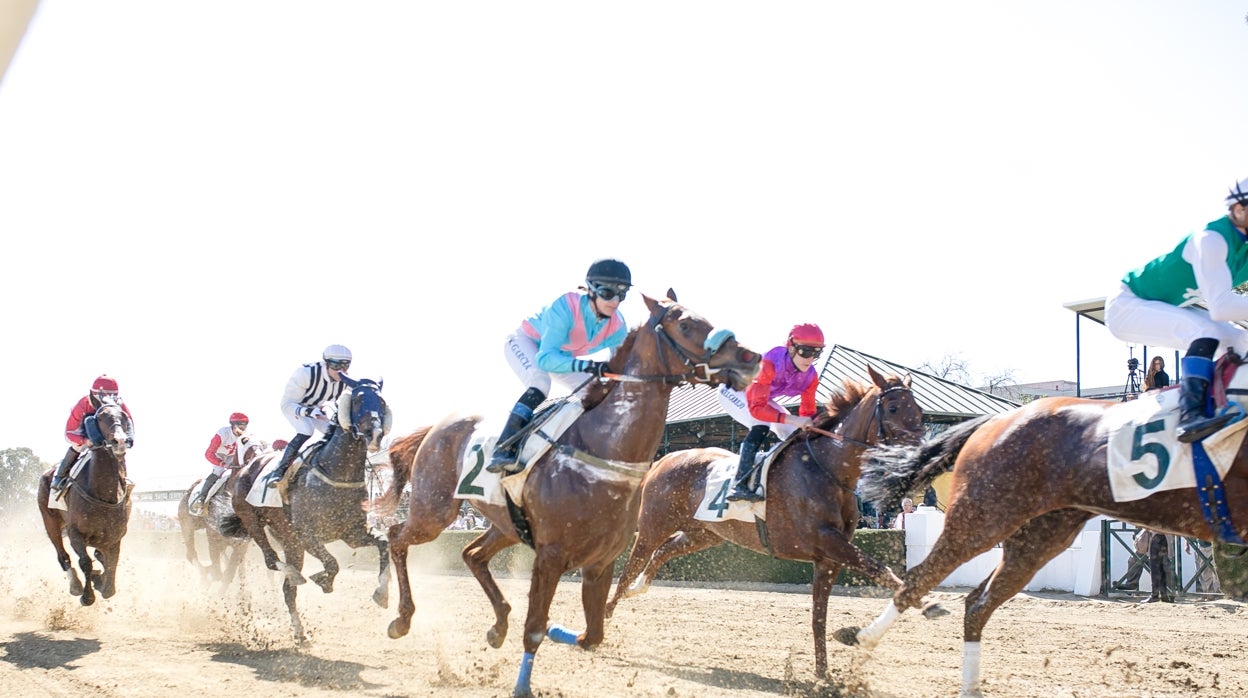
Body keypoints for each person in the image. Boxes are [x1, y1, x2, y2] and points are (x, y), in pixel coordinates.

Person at [1105, 177, 1248, 443]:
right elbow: (1221, 307)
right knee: (1206, 331)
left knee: (1239, 340)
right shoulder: (1213, 238)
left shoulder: (1244, 248)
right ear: (1239, 209)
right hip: (1127, 306)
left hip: (1159, 305)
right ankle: (1190, 415)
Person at [485, 258, 632, 475]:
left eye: (621, 294)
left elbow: (622, 368)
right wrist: (589, 365)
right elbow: (545, 359)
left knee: (596, 395)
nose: (615, 301)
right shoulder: (566, 306)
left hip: (561, 355)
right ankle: (503, 447)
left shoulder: (617, 326)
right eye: (608, 293)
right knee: (540, 384)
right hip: (527, 343)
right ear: (591, 290)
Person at [717, 323, 824, 502]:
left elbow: (807, 414)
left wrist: (808, 424)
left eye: (816, 353)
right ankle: (739, 484)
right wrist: (792, 418)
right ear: (791, 346)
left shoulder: (811, 377)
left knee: (794, 433)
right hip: (733, 390)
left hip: (760, 397)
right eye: (806, 351)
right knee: (761, 425)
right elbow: (757, 409)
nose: (810, 358)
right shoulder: (769, 363)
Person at [266, 344, 352, 487]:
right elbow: (287, 404)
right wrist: (307, 412)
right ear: (326, 363)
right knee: (306, 430)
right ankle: (279, 472)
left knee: (337, 433)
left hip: (315, 410)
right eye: (336, 366)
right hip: (294, 407)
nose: (341, 371)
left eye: (345, 365)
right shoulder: (305, 373)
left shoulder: (345, 382)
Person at [51, 375, 134, 496]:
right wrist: (85, 440)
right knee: (77, 447)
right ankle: (60, 477)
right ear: (93, 395)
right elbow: (69, 433)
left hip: (110, 435)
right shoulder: (82, 404)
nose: (106, 400)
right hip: (84, 433)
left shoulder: (120, 405)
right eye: (102, 397)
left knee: (119, 450)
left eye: (111, 397)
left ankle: (123, 481)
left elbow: (129, 422)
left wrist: (125, 441)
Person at [189, 412, 250, 514]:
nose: (242, 430)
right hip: (218, 456)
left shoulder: (246, 436)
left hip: (233, 457)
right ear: (233, 426)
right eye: (240, 427)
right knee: (218, 472)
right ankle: (201, 498)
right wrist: (222, 463)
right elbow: (208, 453)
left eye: (244, 427)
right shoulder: (222, 433)